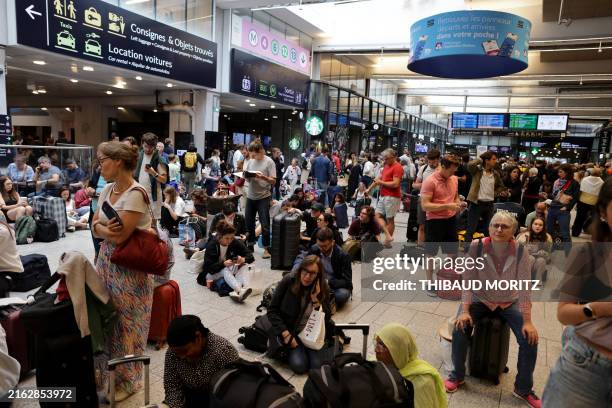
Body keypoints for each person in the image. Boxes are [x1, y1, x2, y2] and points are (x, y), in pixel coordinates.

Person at [445, 212, 541, 408]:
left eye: (504, 227)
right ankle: (457, 376)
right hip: (481, 298)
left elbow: (524, 287)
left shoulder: (521, 252)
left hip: (508, 301)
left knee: (530, 339)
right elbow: (468, 280)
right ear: (488, 228)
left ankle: (523, 388)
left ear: (513, 232)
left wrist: (528, 321)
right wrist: (464, 310)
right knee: (460, 327)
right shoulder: (476, 246)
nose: (499, 229)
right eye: (495, 225)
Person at [91, 141, 157, 401]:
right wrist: (105, 230)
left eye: (103, 160)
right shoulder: (107, 189)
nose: (100, 166)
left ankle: (130, 380)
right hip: (106, 263)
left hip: (131, 270)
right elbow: (95, 223)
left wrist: (102, 231)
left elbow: (123, 237)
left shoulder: (136, 193)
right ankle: (110, 374)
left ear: (118, 161)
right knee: (108, 319)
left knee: (128, 325)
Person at [541, 178, 612, 407]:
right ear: (603, 211)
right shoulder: (588, 255)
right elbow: (564, 314)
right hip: (585, 366)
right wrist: (599, 309)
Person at [267, 255, 334, 374]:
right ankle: (300, 351)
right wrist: (286, 334)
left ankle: (308, 350)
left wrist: (316, 302)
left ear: (318, 275)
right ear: (300, 270)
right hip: (291, 330)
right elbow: (272, 310)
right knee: (300, 366)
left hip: (311, 332)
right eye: (305, 271)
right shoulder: (289, 280)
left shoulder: (323, 287)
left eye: (312, 273)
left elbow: (327, 318)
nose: (307, 277)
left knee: (316, 366)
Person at [164, 315, 240, 408]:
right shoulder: (173, 352)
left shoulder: (223, 351)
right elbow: (172, 386)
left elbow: (235, 391)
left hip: (217, 399)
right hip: (189, 396)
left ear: (198, 337)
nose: (181, 356)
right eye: (177, 353)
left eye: (185, 351)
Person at [375, 323, 447, 408]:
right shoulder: (378, 365)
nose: (376, 350)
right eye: (376, 344)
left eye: (382, 346)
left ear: (399, 350)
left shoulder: (421, 382)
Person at [419, 154, 461, 296]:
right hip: (434, 221)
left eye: (455, 170)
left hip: (450, 219)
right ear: (442, 166)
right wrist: (447, 205)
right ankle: (429, 282)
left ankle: (449, 277)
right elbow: (425, 206)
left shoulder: (454, 179)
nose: (453, 174)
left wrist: (458, 203)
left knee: (453, 252)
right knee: (431, 254)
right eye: (451, 170)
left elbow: (455, 196)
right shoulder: (430, 181)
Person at [197, 220, 255, 302]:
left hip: (229, 270)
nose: (229, 241)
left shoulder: (234, 242)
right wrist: (223, 264)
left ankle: (241, 290)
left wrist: (243, 259)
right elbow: (209, 268)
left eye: (231, 238)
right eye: (226, 238)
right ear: (220, 236)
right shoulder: (212, 245)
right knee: (225, 269)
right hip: (210, 274)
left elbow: (250, 256)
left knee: (244, 265)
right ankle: (239, 290)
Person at [302, 228, 352, 311]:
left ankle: (322, 301)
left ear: (333, 242)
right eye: (319, 246)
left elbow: (347, 281)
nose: (321, 249)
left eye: (325, 246)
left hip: (333, 286)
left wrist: (328, 282)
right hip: (316, 282)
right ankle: (324, 301)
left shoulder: (343, 256)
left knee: (342, 294)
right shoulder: (314, 249)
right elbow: (305, 265)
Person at [464, 151, 507, 244]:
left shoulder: (495, 173)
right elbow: (469, 165)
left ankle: (487, 249)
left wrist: (496, 193)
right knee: (471, 228)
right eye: (493, 159)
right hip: (476, 203)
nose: (496, 161)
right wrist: (480, 159)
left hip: (490, 204)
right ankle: (466, 249)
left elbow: (501, 186)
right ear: (487, 160)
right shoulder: (477, 171)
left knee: (489, 229)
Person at [243, 141, 276, 259]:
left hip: (263, 196)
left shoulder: (269, 162)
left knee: (265, 223)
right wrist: (246, 175)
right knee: (249, 222)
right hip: (251, 195)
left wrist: (263, 177)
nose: (252, 157)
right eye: (251, 155)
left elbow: (273, 181)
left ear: (261, 151)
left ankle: (267, 248)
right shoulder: (251, 161)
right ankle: (250, 245)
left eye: (254, 155)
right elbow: (246, 176)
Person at [369, 148, 403, 246]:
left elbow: (396, 184)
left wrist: (381, 183)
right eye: (384, 158)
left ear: (393, 157)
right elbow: (379, 178)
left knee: (390, 219)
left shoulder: (397, 167)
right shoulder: (386, 165)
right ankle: (388, 235)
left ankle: (387, 242)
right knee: (377, 216)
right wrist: (369, 188)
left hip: (392, 196)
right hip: (384, 195)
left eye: (387, 158)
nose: (385, 160)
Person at [134, 133, 168, 220]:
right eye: (146, 146)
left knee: (153, 223)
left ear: (155, 146)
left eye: (151, 147)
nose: (148, 149)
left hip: (153, 197)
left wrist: (154, 173)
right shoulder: (137, 156)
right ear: (142, 144)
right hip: (138, 194)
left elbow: (164, 180)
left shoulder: (159, 159)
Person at [546, 164, 579, 250]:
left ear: (567, 172)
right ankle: (550, 248)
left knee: (565, 232)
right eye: (558, 172)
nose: (559, 174)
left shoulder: (574, 183)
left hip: (563, 210)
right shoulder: (556, 181)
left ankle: (568, 252)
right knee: (549, 230)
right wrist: (547, 195)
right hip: (553, 207)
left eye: (561, 172)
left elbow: (575, 197)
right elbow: (554, 196)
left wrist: (568, 208)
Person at [413, 149, 441, 248]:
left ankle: (432, 249)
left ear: (438, 159)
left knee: (435, 226)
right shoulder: (423, 168)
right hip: (423, 200)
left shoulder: (442, 170)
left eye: (433, 161)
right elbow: (415, 185)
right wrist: (426, 185)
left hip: (437, 201)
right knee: (422, 225)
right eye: (429, 161)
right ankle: (420, 248)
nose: (431, 163)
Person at [516, 217, 552, 282]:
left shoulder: (547, 237)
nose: (537, 226)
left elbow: (549, 257)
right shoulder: (523, 235)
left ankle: (538, 280)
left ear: (543, 227)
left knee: (541, 260)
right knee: (530, 258)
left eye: (540, 225)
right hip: (524, 260)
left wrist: (544, 253)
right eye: (535, 224)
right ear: (531, 225)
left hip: (538, 260)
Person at [572, 167, 604, 237]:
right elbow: (601, 194)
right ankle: (592, 232)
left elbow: (580, 191)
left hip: (583, 201)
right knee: (594, 219)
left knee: (579, 218)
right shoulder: (602, 182)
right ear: (600, 174)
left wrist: (577, 201)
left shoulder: (585, 179)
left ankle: (575, 233)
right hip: (594, 203)